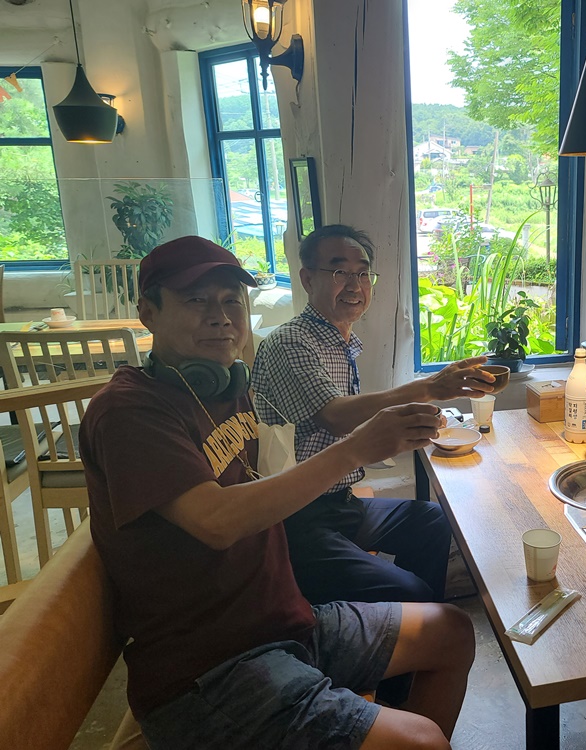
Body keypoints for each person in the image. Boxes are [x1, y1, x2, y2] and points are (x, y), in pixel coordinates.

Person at [82, 236, 475, 749]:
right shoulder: (130, 411)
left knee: (451, 630)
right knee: (420, 740)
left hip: (284, 622)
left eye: (231, 300)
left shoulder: (225, 386)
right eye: (196, 300)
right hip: (209, 668)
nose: (220, 317)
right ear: (148, 312)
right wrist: (357, 448)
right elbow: (216, 521)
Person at [252, 224, 494, 606]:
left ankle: (419, 623)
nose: (355, 285)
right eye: (340, 272)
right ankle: (411, 616)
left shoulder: (340, 341)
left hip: (341, 503)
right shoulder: (291, 342)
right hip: (297, 514)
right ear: (307, 278)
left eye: (363, 274)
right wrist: (429, 387)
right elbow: (335, 416)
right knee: (409, 590)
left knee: (433, 521)